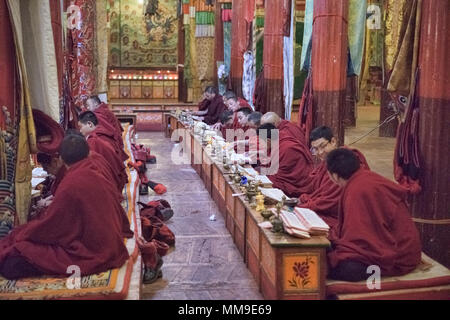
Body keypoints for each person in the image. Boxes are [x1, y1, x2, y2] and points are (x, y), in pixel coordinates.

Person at [0, 135, 133, 280]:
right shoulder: (96, 172)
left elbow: (53, 228)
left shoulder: (71, 183)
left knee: (16, 257)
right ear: (88, 153)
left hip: (95, 253)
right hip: (113, 245)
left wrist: (22, 233)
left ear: (61, 159)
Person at [326, 148, 421, 282]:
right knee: (329, 248)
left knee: (339, 267)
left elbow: (364, 241)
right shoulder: (366, 177)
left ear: (334, 176)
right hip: (401, 247)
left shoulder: (357, 190)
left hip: (398, 257)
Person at [296, 126, 369, 230]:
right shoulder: (327, 162)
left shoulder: (345, 161)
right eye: (315, 149)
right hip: (326, 206)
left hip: (340, 215)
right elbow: (321, 192)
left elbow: (330, 200)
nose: (320, 152)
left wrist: (301, 206)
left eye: (323, 146)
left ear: (333, 141)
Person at [256, 123, 313, 197]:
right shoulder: (275, 141)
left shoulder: (287, 148)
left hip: (297, 186)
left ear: (268, 141)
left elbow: (280, 178)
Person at [78, 111, 128, 192]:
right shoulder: (101, 132)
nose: (79, 131)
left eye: (80, 127)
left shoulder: (94, 141)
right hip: (116, 179)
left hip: (112, 185)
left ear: (90, 124)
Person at [85, 95, 127, 162]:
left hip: (114, 141)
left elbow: (107, 130)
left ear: (96, 104)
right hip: (116, 139)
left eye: (88, 105)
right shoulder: (104, 110)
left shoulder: (99, 114)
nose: (87, 108)